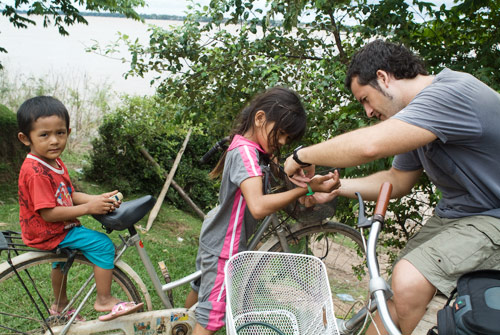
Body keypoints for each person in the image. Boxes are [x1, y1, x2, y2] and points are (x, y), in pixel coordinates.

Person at [284, 39, 500, 334]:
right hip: (458, 216)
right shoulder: (416, 117)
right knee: (390, 294)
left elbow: (370, 146)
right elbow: (396, 181)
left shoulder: (453, 92)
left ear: (383, 77)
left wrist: (301, 155)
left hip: (494, 216)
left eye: (365, 99)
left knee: (409, 278)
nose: (368, 112)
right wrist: (335, 187)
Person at [184, 87, 341, 335]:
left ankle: (179, 327)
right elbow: (258, 206)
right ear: (259, 118)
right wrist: (305, 190)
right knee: (211, 317)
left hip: (216, 235)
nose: (281, 142)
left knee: (202, 290)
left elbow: (277, 182)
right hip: (226, 245)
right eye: (280, 134)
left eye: (287, 139)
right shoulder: (247, 153)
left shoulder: (252, 150)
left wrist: (304, 183)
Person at [17, 96, 144, 322]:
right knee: (103, 244)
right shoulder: (36, 172)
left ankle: (59, 305)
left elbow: (68, 194)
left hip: (52, 229)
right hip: (50, 230)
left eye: (60, 133)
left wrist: (96, 199)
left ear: (68, 131)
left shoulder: (52, 161)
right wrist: (88, 208)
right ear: (25, 138)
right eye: (44, 135)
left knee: (61, 260)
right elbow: (49, 213)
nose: (54, 141)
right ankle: (104, 299)